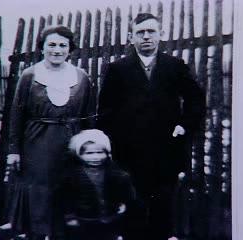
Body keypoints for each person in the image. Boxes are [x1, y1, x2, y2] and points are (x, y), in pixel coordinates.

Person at [97, 13, 205, 240]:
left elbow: (195, 100)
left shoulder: (175, 66)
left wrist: (183, 126)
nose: (146, 37)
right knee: (132, 206)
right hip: (128, 153)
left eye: (151, 31)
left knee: (163, 207)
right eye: (140, 32)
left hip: (167, 150)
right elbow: (106, 110)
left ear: (161, 35)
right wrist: (115, 140)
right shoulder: (118, 69)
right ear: (131, 37)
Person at [6, 25, 95, 240]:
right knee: (38, 194)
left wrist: (89, 148)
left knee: (66, 193)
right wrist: (14, 150)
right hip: (37, 144)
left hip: (71, 143)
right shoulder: (30, 75)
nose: (57, 50)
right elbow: (17, 115)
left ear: (70, 49)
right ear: (42, 48)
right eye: (52, 45)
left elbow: (89, 116)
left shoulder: (81, 77)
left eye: (62, 45)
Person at [62, 129, 135, 240]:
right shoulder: (72, 176)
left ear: (107, 153)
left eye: (100, 152)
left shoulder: (115, 173)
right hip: (84, 221)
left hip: (110, 220)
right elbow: (66, 197)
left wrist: (123, 203)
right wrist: (70, 216)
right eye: (89, 153)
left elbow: (126, 191)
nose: (95, 157)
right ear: (79, 154)